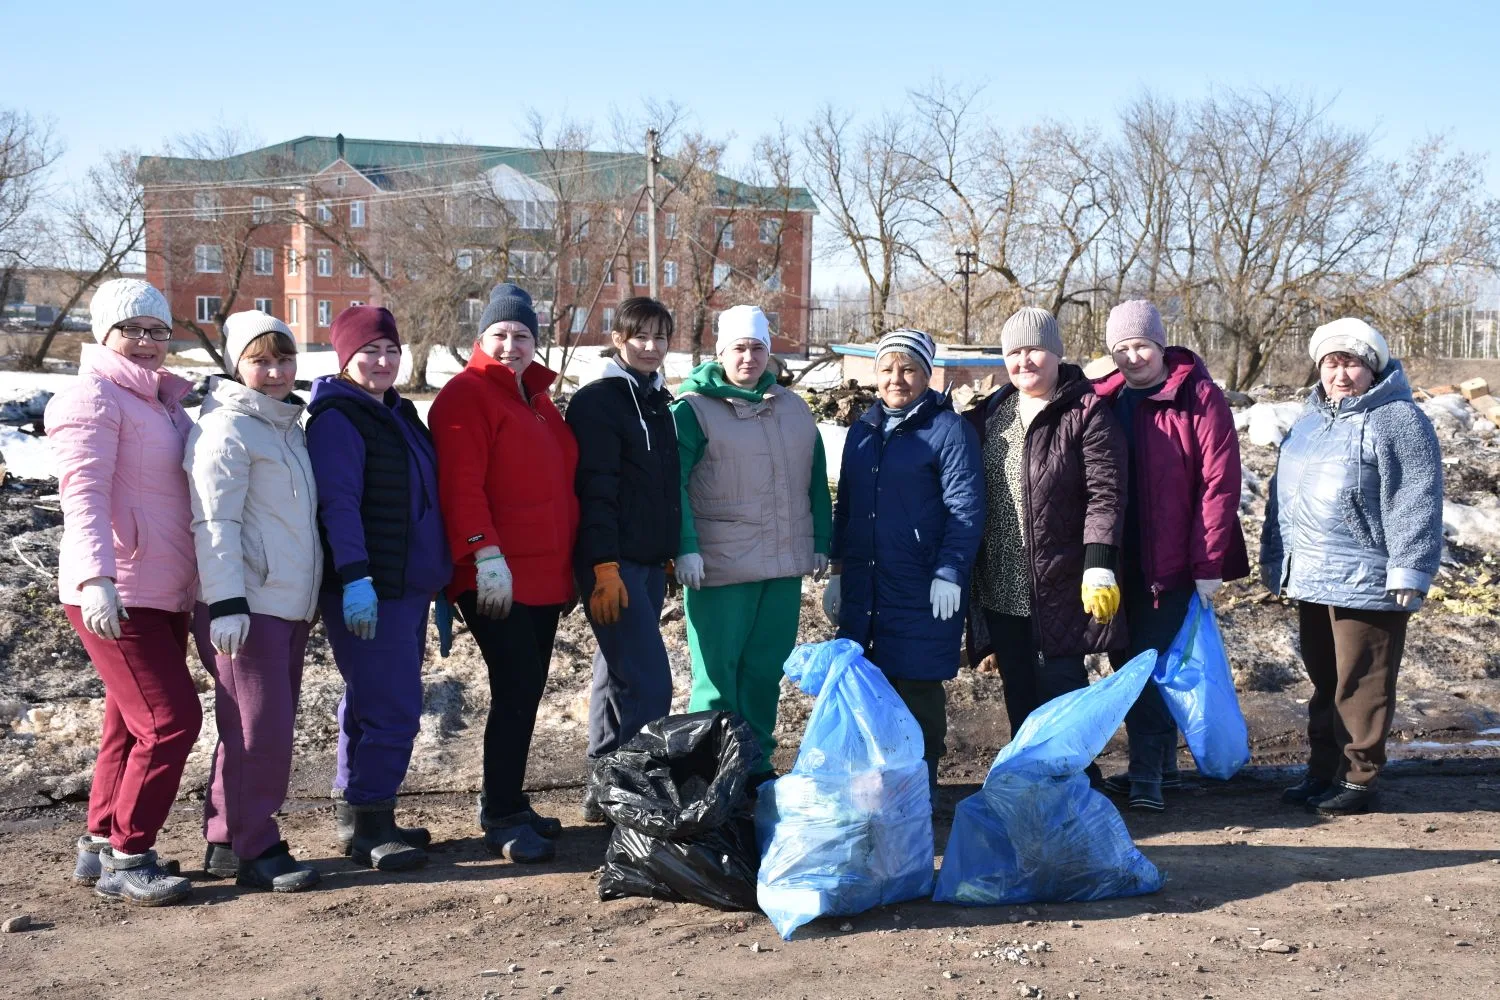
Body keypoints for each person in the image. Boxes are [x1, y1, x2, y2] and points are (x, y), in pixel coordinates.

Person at [46, 278, 201, 905]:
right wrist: (96, 580)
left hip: (164, 587)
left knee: (127, 723)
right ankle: (130, 855)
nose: (146, 341)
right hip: (119, 588)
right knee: (170, 721)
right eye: (131, 329)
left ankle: (99, 841)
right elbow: (81, 496)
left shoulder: (162, 401)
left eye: (157, 330)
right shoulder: (90, 398)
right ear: (103, 333)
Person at [1261, 318, 1442, 815]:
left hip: (1369, 577)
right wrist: (1276, 559)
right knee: (1326, 680)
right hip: (1314, 574)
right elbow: (1283, 499)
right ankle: (1324, 770)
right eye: (1331, 363)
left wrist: (1410, 565)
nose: (1341, 374)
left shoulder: (1396, 418)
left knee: (1361, 683)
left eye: (1353, 364)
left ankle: (1359, 778)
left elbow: (1416, 496)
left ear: (1373, 368)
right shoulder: (1310, 421)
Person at [430, 284, 579, 862]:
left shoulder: (537, 399)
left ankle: (510, 799)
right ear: (480, 338)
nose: (511, 345)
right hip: (495, 575)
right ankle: (500, 814)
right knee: (516, 687)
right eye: (500, 334)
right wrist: (482, 553)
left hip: (543, 575)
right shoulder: (465, 397)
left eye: (522, 335)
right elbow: (460, 484)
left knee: (526, 689)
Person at [306, 305, 452, 868]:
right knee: (393, 707)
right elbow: (338, 504)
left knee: (368, 700)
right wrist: (355, 577)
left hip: (407, 585)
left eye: (391, 350)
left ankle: (357, 812)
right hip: (372, 586)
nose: (383, 361)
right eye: (370, 351)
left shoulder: (398, 412)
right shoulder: (338, 419)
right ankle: (372, 824)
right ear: (345, 357)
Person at [1091, 300, 1249, 811]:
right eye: (1121, 348)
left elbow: (1219, 484)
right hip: (1120, 558)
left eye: (1141, 345)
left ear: (1160, 345)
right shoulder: (1106, 399)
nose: (1132, 357)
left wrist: (1207, 564)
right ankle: (1163, 767)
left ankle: (1146, 778)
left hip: (1174, 563)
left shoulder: (1198, 397)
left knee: (1145, 664)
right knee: (1128, 659)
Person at [184, 311, 322, 891]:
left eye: (283, 359)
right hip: (245, 607)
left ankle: (225, 839)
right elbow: (214, 522)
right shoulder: (226, 429)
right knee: (257, 731)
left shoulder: (286, 426)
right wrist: (225, 602)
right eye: (260, 361)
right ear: (235, 365)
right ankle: (256, 846)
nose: (275, 372)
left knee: (257, 728)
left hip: (286, 603)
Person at [672, 305, 832, 780]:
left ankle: (755, 764)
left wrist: (821, 539)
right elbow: (673, 484)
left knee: (764, 672)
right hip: (719, 566)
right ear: (720, 352)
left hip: (781, 567)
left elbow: (815, 478)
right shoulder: (692, 410)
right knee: (717, 676)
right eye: (739, 348)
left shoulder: (793, 408)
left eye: (758, 347)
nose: (749, 357)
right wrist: (685, 545)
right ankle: (711, 773)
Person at [825, 328, 983, 799]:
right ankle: (873, 795)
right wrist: (838, 571)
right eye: (888, 369)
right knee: (868, 688)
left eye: (909, 369)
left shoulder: (948, 430)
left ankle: (919, 793)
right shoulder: (864, 430)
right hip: (866, 583)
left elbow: (965, 508)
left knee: (916, 688)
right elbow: (847, 506)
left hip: (921, 585)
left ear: (927, 374)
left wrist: (951, 570)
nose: (897, 378)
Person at [963, 307, 1127, 755]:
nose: (1024, 361)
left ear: (1057, 352)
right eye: (1014, 352)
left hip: (1059, 582)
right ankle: (1028, 781)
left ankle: (1076, 778)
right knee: (1019, 690)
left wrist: (1099, 564)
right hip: (1001, 584)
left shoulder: (1086, 412)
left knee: (1061, 689)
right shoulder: (991, 414)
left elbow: (1106, 494)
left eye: (1034, 349)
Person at [565, 296, 681, 821]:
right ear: (618, 339)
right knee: (650, 683)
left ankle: (604, 785)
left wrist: (668, 550)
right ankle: (634, 790)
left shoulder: (656, 400)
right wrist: (603, 565)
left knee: (616, 675)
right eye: (641, 337)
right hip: (612, 566)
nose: (652, 347)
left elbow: (661, 487)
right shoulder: (599, 402)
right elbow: (596, 490)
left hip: (647, 564)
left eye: (661, 337)